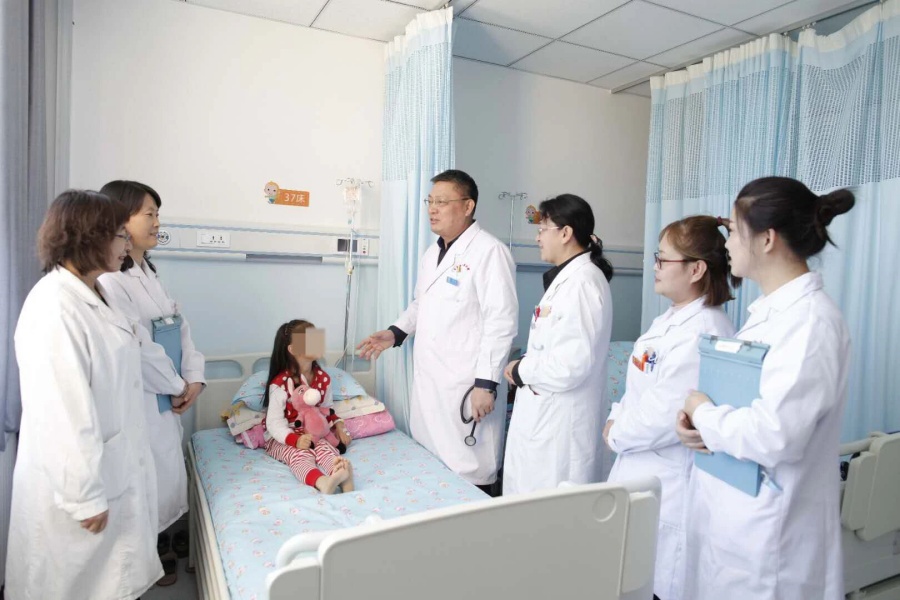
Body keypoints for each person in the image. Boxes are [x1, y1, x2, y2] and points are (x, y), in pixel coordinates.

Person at [677, 177, 855, 599]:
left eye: (735, 232)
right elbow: (746, 405)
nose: (728, 244)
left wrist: (704, 414)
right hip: (736, 524)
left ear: (767, 239)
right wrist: (698, 425)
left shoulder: (810, 323)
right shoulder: (769, 315)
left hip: (772, 540)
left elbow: (776, 435)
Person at [7, 190, 162, 599]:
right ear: (89, 237)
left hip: (112, 465)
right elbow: (61, 411)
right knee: (72, 585)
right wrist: (84, 496)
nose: (126, 244)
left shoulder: (98, 292)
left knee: (110, 582)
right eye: (119, 235)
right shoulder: (55, 307)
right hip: (77, 485)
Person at [604, 215, 739, 600]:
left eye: (663, 259)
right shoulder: (668, 320)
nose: (655, 267)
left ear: (696, 269)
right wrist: (615, 418)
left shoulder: (704, 330)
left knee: (658, 582)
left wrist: (616, 433)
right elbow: (636, 391)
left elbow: (667, 415)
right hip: (639, 467)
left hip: (669, 481)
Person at [357, 169, 518, 493]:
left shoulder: (490, 252)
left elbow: (501, 322)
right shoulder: (432, 254)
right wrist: (395, 333)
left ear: (468, 206)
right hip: (432, 378)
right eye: (430, 201)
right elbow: (422, 304)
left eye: (442, 202)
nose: (432, 209)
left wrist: (486, 384)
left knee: (468, 468)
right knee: (432, 467)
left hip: (466, 381)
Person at [98, 180, 205, 585]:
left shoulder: (150, 274)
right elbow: (140, 348)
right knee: (145, 481)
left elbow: (180, 328)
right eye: (150, 214)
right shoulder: (111, 281)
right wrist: (178, 386)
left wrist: (194, 379)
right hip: (146, 398)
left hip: (170, 393)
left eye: (158, 214)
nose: (158, 222)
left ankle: (163, 538)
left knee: (164, 473)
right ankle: (153, 549)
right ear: (120, 218)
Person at [501, 194, 614, 494]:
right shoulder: (570, 279)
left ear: (565, 233)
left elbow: (571, 366)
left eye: (542, 229)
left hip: (560, 429)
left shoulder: (582, 283)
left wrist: (522, 370)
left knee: (550, 509)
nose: (537, 237)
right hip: (546, 420)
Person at [262, 320, 354, 494]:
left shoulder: (323, 379)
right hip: (285, 436)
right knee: (300, 456)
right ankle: (322, 482)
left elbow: (327, 409)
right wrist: (294, 440)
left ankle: (342, 476)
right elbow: (274, 423)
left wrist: (339, 426)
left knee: (327, 450)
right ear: (293, 349)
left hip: (314, 433)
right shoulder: (280, 384)